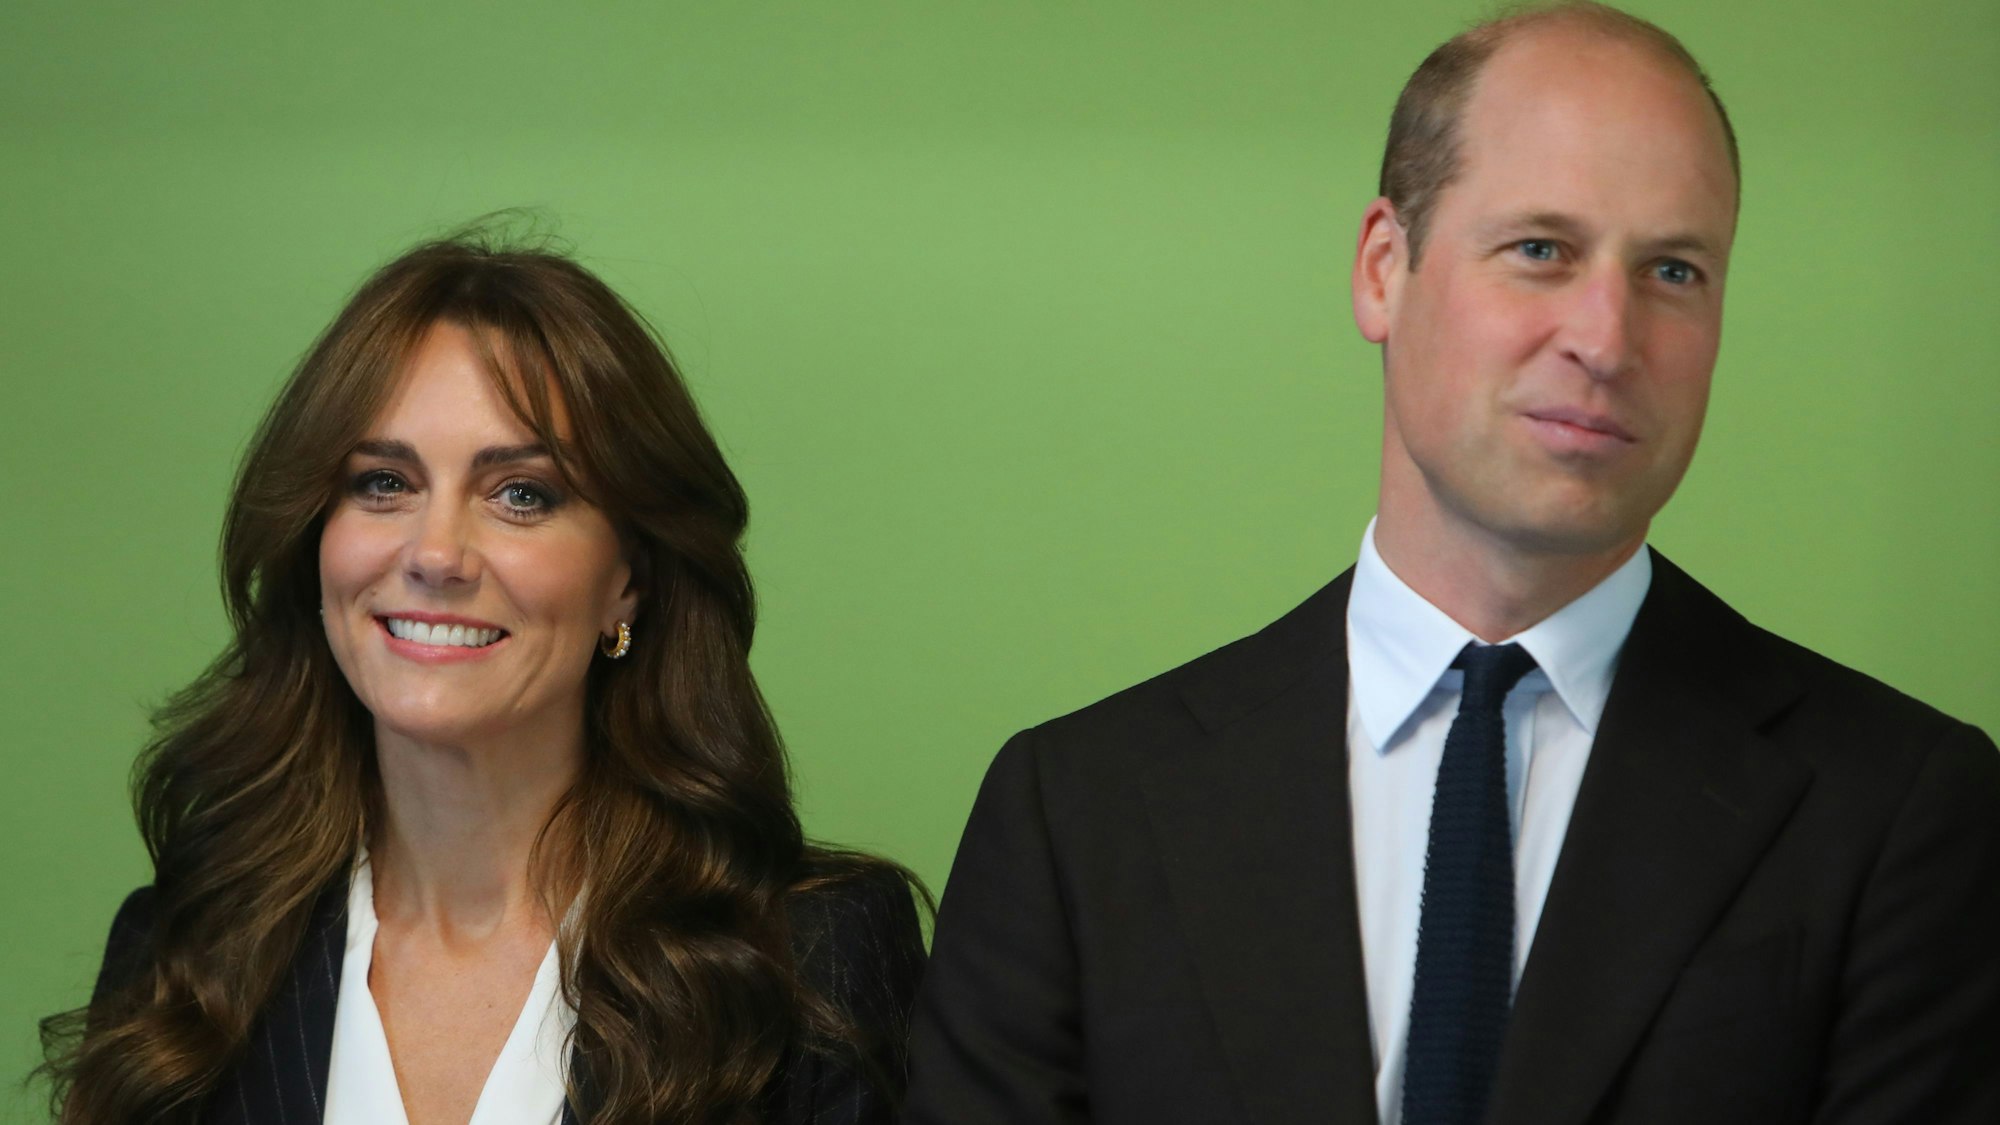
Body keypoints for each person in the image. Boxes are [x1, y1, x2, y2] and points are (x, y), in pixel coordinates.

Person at [903, 4, 2000, 1124]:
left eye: (1672, 271)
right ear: (1383, 268)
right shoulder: (1079, 814)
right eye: (1539, 250)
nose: (1606, 338)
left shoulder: (1898, 811)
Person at [41, 229, 926, 1125]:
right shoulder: (182, 953)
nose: (435, 553)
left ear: (630, 577)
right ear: (315, 541)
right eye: (383, 482)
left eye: (521, 494)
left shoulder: (814, 956)